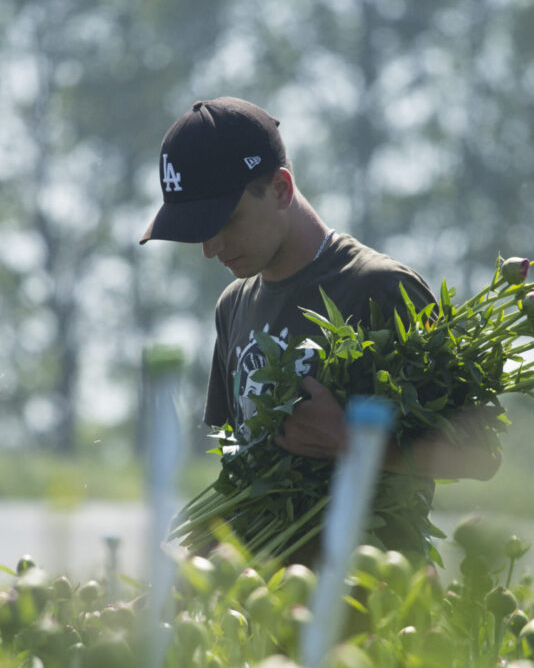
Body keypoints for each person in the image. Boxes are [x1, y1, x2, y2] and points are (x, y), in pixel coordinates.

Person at [139, 97, 500, 534]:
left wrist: (354, 444)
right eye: (197, 231)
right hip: (263, 594)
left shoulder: (382, 288)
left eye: (225, 221)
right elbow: (242, 479)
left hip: (373, 590)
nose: (210, 248)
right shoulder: (232, 307)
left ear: (280, 188)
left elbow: (481, 454)